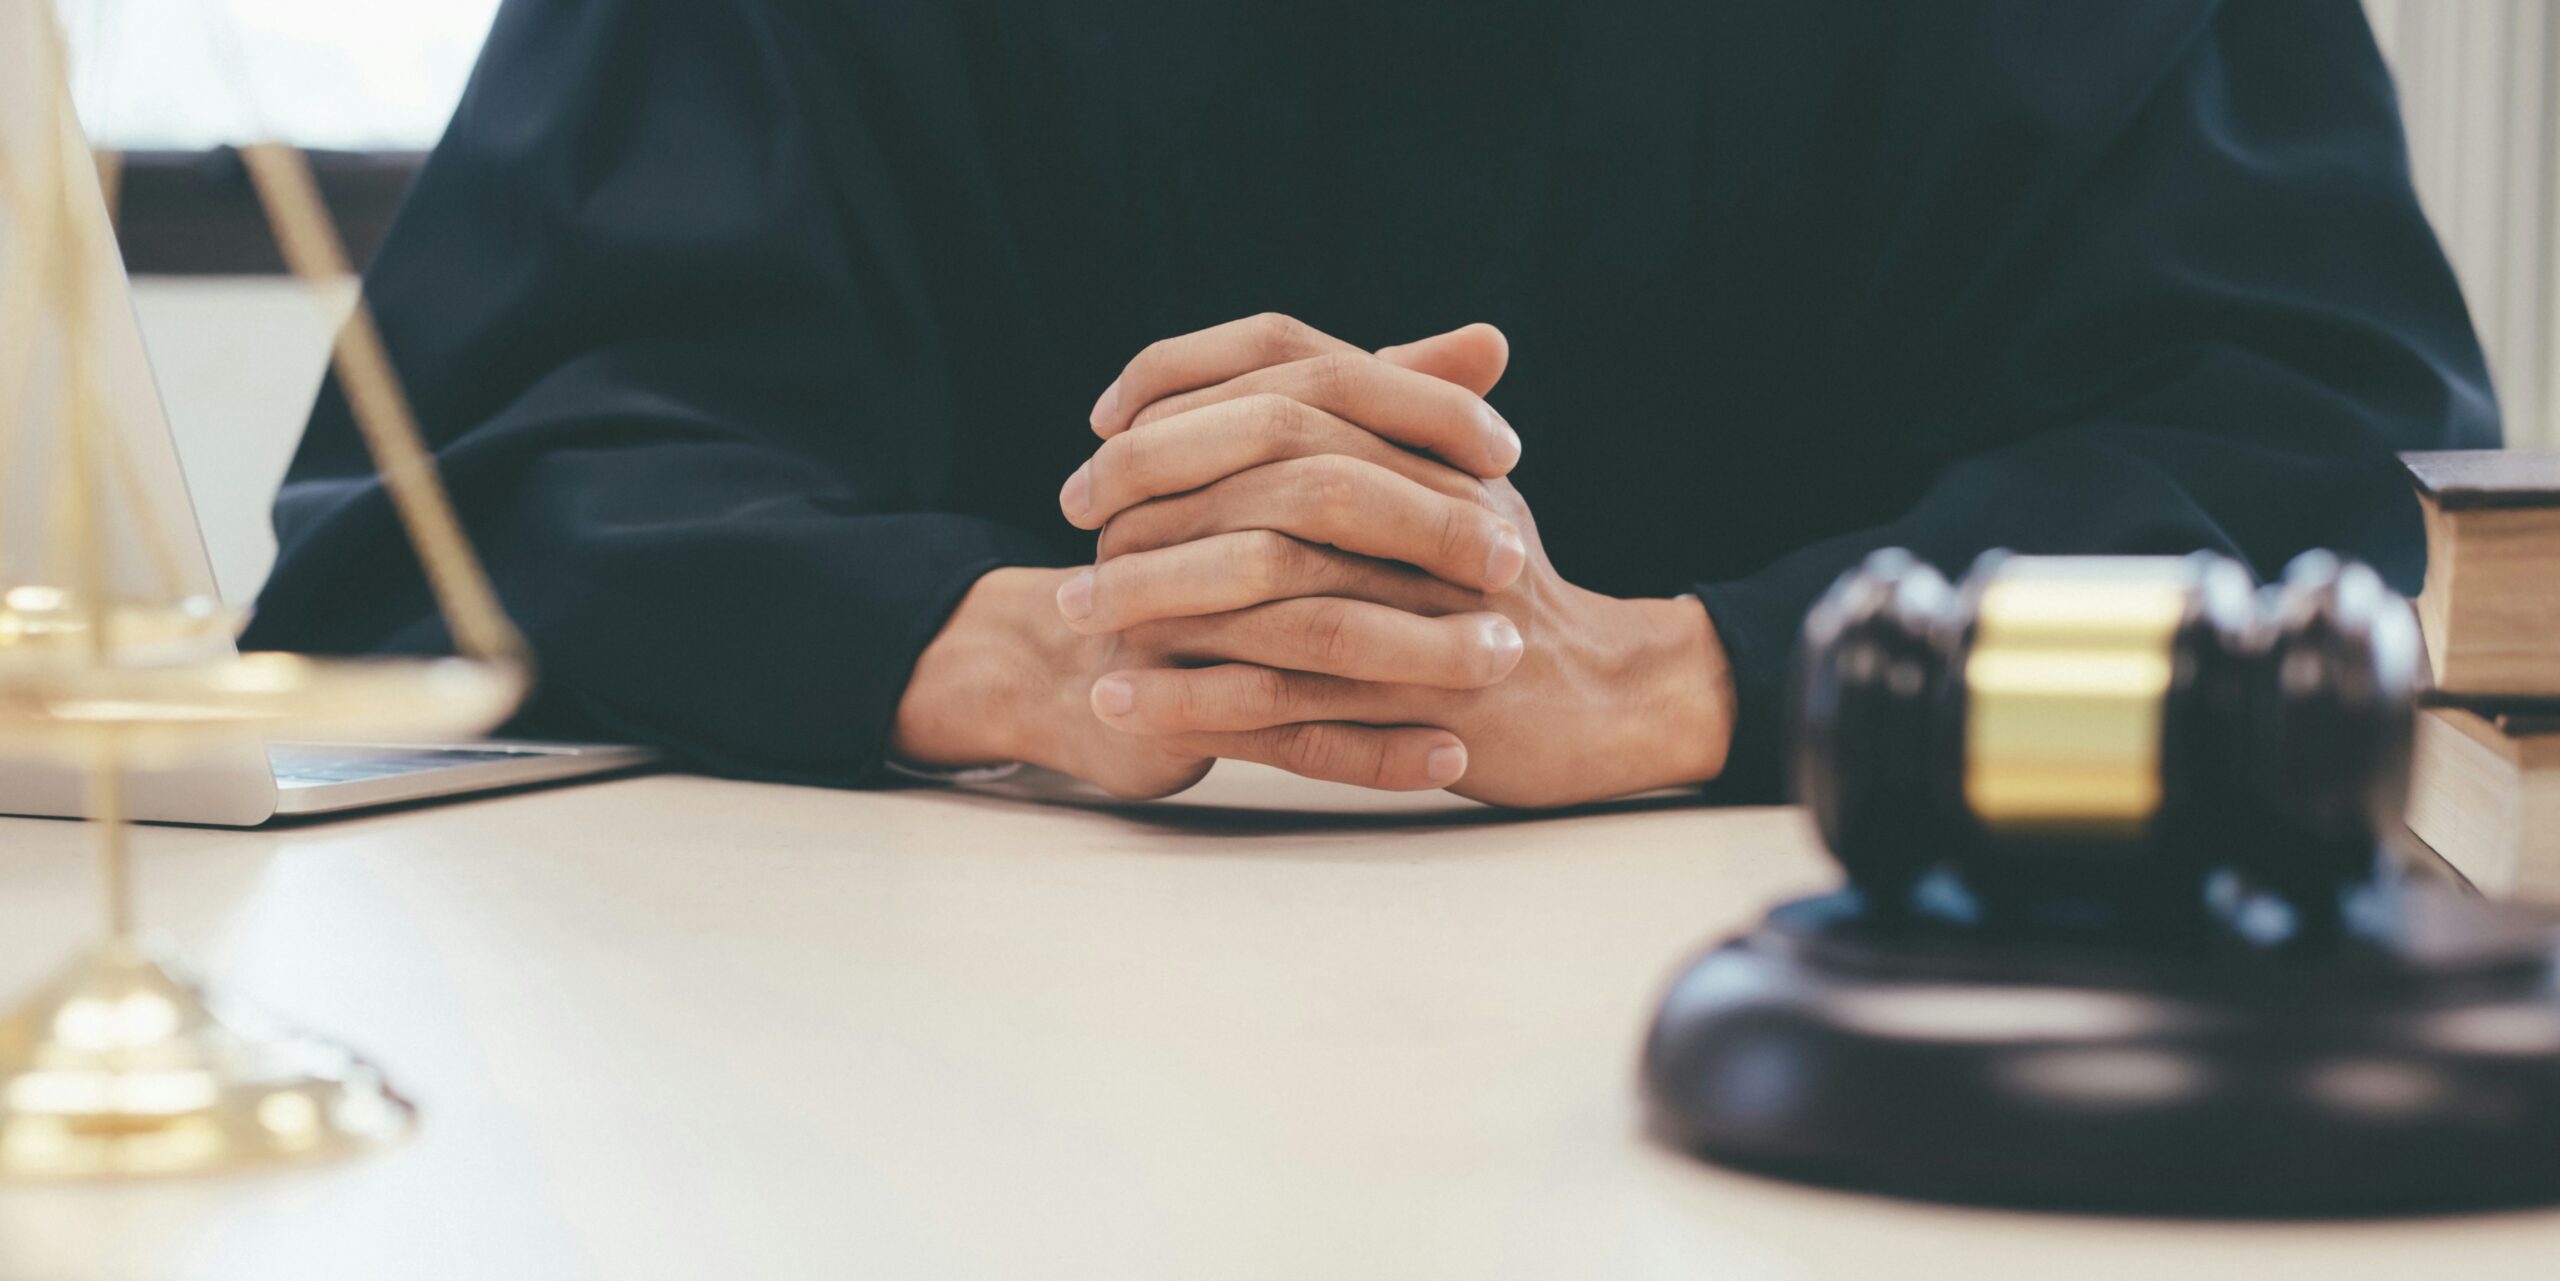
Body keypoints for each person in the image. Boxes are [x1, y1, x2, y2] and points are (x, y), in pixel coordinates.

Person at [244, 0, 2499, 807]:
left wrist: (1693, 671)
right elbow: (430, 508)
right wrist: (1029, 643)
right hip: (943, 1074)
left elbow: (2336, 486)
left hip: (1846, 1100)